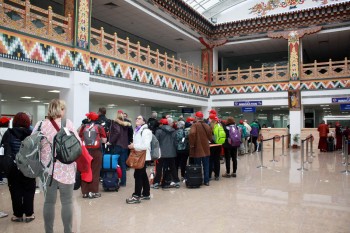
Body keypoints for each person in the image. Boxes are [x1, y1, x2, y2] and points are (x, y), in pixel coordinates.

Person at [33, 99, 80, 233]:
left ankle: (49, 231)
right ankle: (68, 231)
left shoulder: (40, 124)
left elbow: (32, 144)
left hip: (47, 170)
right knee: (67, 202)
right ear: (61, 110)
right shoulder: (67, 123)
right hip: (66, 168)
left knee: (48, 203)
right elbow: (78, 143)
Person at [1, 112, 34, 222]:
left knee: (15, 190)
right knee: (29, 190)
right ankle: (29, 214)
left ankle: (18, 215)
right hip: (28, 166)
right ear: (27, 122)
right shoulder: (32, 134)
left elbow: (3, 150)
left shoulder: (8, 133)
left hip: (13, 167)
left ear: (14, 122)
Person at [79, 112, 107, 198]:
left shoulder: (83, 127)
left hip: (85, 152)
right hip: (96, 151)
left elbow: (79, 137)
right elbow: (104, 140)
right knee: (95, 171)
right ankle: (93, 192)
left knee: (85, 170)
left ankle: (85, 192)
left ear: (90, 119)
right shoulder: (99, 127)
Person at [126, 115, 152, 204]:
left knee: (138, 175)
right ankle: (146, 194)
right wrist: (133, 145)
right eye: (136, 118)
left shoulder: (146, 131)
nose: (137, 119)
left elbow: (146, 146)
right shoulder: (137, 130)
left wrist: (134, 146)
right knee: (143, 174)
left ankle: (136, 196)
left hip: (142, 156)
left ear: (144, 122)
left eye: (139, 118)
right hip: (139, 155)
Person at [155, 117, 180, 188]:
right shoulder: (174, 131)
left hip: (161, 153)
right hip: (172, 152)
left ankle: (156, 182)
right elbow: (176, 142)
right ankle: (176, 181)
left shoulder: (158, 131)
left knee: (159, 168)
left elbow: (156, 142)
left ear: (161, 124)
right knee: (173, 167)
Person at [189, 111, 212, 186]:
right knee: (206, 165)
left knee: (198, 166)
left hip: (197, 149)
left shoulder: (194, 125)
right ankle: (206, 181)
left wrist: (192, 144)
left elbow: (192, 133)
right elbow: (210, 136)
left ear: (196, 117)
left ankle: (198, 179)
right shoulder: (207, 125)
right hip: (206, 149)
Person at [108, 110, 131, 187]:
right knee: (123, 165)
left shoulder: (115, 123)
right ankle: (123, 182)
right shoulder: (127, 124)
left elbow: (117, 132)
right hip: (124, 146)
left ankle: (113, 179)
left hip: (117, 145)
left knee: (114, 164)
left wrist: (110, 141)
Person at [208, 114, 222, 181]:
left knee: (210, 160)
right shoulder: (220, 125)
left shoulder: (210, 126)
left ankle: (209, 175)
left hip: (211, 146)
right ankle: (217, 175)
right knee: (217, 161)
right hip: (218, 145)